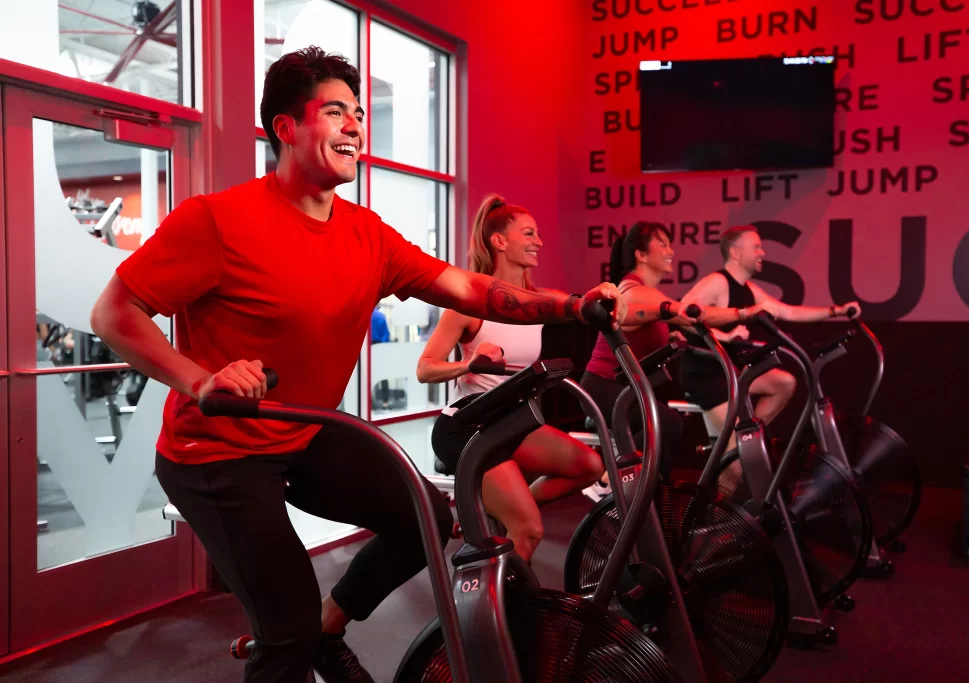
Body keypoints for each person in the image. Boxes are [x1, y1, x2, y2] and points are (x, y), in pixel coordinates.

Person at [89, 47, 624, 683]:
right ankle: (300, 637)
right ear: (285, 128)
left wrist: (571, 304)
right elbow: (113, 314)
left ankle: (329, 628)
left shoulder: (367, 234)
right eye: (335, 111)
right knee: (281, 625)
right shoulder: (218, 221)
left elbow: (468, 287)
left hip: (306, 431)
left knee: (425, 517)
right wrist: (200, 379)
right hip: (216, 454)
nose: (355, 125)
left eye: (360, 113)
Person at [417, 194, 605, 562]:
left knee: (590, 466)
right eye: (529, 233)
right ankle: (502, 611)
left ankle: (496, 510)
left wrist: (608, 297)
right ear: (500, 242)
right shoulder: (469, 302)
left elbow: (580, 304)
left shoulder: (539, 300)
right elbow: (425, 368)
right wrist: (468, 365)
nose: (539, 241)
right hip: (470, 423)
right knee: (529, 530)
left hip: (512, 421)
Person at [579, 221, 748, 500]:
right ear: (641, 255)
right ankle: (606, 483)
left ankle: (652, 519)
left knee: (664, 459)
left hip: (622, 388)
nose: (671, 250)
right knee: (668, 424)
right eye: (663, 243)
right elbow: (690, 314)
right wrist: (744, 314)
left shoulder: (648, 292)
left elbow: (669, 322)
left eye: (670, 243)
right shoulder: (633, 288)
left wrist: (671, 336)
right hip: (603, 386)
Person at [678, 224, 861, 443]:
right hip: (707, 379)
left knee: (784, 383)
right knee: (736, 447)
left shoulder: (748, 289)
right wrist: (724, 336)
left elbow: (788, 311)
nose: (762, 253)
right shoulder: (717, 282)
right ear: (735, 252)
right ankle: (737, 448)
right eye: (756, 247)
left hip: (732, 375)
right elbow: (682, 314)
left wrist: (836, 311)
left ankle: (751, 435)